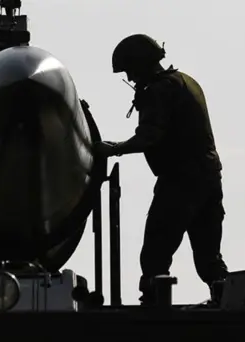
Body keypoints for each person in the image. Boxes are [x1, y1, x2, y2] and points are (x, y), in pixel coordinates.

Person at [94, 34, 228, 305]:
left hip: (180, 182)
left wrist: (113, 148)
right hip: (209, 179)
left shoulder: (159, 90)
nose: (130, 79)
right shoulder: (186, 82)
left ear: (141, 64)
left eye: (130, 70)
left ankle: (154, 308)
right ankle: (228, 302)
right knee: (209, 258)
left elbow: (149, 136)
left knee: (155, 253)